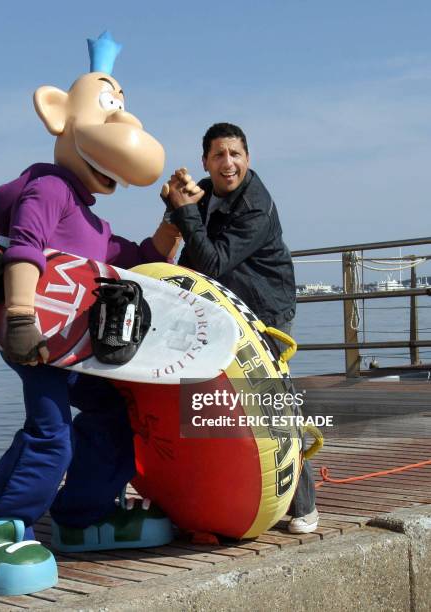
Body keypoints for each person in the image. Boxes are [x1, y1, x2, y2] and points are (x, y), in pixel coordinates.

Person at [0, 33, 180, 597]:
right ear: (57, 114)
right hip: (35, 334)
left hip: (76, 344)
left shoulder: (92, 220)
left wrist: (173, 220)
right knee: (50, 434)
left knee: (112, 418)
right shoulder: (47, 187)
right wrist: (20, 317)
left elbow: (131, 263)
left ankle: (82, 515)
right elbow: (25, 245)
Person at [163, 122, 318, 534]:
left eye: (234, 154)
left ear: (248, 159)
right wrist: (174, 200)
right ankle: (209, 498)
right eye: (218, 155)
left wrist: (185, 211)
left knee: (273, 406)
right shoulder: (205, 189)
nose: (227, 163)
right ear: (206, 162)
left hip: (266, 310)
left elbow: (212, 261)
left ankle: (304, 504)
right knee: (204, 401)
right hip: (222, 310)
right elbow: (185, 236)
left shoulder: (255, 205)